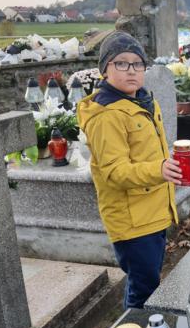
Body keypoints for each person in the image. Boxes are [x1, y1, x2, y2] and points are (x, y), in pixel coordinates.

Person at [77, 31, 182, 309]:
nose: (132, 70)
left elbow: (147, 153)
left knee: (147, 282)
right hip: (132, 221)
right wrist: (159, 170)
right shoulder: (106, 115)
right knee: (143, 290)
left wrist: (167, 166)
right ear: (105, 69)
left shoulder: (143, 102)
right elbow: (114, 171)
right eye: (121, 63)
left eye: (137, 63)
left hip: (152, 212)